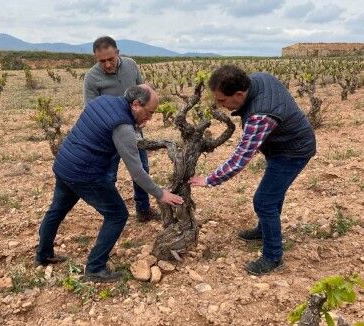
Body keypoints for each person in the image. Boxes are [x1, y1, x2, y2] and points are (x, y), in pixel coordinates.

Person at [36, 84, 184, 282]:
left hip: (65, 164)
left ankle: (43, 255)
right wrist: (160, 194)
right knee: (117, 214)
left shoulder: (103, 101)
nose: (150, 118)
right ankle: (95, 268)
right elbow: (137, 172)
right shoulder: (122, 127)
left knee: (57, 210)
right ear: (136, 105)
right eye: (149, 112)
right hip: (85, 173)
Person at [189, 65, 316, 276]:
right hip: (284, 145)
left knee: (264, 200)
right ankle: (263, 230)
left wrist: (210, 180)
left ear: (239, 94)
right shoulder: (258, 79)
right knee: (273, 195)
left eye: (222, 101)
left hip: (294, 151)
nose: (220, 106)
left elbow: (240, 159)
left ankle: (273, 257)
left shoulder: (260, 116)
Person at [83, 36, 157, 222]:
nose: (107, 64)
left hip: (134, 130)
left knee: (141, 169)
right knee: (108, 175)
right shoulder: (91, 78)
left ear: (118, 53)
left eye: (110, 59)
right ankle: (112, 215)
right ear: (95, 58)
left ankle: (143, 209)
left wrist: (143, 118)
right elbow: (91, 109)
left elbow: (144, 91)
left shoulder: (131, 65)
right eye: (102, 61)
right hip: (108, 137)